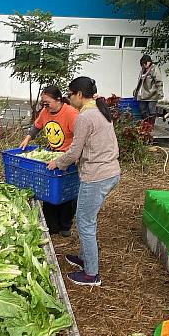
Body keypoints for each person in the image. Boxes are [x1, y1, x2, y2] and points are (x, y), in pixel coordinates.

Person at [47, 77, 120, 286]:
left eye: (70, 94)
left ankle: (91, 274)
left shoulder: (85, 117)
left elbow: (74, 152)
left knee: (85, 223)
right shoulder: (99, 109)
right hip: (109, 171)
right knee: (84, 216)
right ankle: (84, 257)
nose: (68, 99)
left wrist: (57, 163)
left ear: (79, 94)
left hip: (96, 175)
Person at [20, 86, 79, 237]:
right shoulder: (45, 112)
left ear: (58, 100)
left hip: (67, 157)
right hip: (51, 155)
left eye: (47, 103)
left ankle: (65, 225)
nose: (44, 107)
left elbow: (80, 138)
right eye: (43, 104)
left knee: (66, 192)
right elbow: (37, 126)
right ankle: (52, 225)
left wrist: (67, 157)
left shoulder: (71, 113)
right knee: (49, 190)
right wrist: (27, 138)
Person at [133, 54, 164, 132]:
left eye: (145, 63)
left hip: (152, 94)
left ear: (149, 62)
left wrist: (160, 92)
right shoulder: (142, 70)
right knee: (142, 109)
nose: (144, 65)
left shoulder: (154, 69)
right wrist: (136, 91)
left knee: (151, 110)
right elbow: (139, 82)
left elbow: (159, 82)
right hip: (143, 94)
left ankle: (151, 126)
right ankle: (146, 124)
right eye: (143, 64)